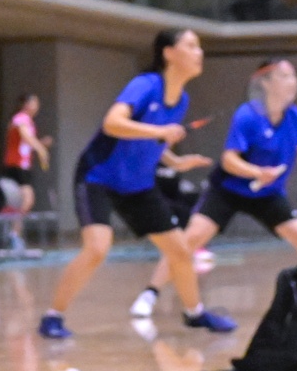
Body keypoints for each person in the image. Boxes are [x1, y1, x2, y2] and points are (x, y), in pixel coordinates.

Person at [38, 28, 229, 340]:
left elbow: (150, 139)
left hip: (138, 185)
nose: (199, 53)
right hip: (98, 176)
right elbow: (113, 123)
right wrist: (161, 132)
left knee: (180, 251)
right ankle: (52, 316)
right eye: (191, 46)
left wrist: (174, 161)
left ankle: (195, 313)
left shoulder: (181, 100)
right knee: (97, 248)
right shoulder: (146, 85)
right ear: (168, 53)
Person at [130, 58, 297, 317]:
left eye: (293, 76)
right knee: (189, 240)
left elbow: (295, 150)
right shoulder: (247, 115)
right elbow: (229, 160)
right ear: (266, 83)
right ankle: (150, 293)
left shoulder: (295, 116)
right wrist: (257, 172)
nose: (293, 82)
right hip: (227, 191)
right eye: (284, 76)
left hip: (268, 194)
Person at [3, 92, 49, 217]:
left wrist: (40, 143)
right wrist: (40, 149)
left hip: (23, 164)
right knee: (27, 199)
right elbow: (26, 137)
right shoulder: (21, 118)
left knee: (20, 200)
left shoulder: (27, 120)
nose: (37, 106)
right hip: (17, 164)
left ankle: (14, 226)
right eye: (34, 103)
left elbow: (24, 143)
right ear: (26, 104)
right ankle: (10, 223)